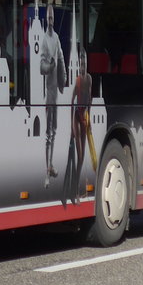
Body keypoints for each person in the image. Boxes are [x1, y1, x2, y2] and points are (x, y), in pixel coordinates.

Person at [39, 2, 66, 186]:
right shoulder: (44, 39)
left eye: (52, 17)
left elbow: (62, 58)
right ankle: (47, 172)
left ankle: (50, 165)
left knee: (54, 131)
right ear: (45, 19)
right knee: (48, 133)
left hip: (56, 92)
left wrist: (63, 79)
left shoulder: (56, 38)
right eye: (48, 17)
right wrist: (51, 66)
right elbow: (42, 67)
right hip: (48, 92)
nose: (50, 20)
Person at [63, 47, 93, 206]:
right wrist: (71, 127)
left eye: (84, 63)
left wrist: (89, 121)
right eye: (81, 64)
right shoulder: (78, 80)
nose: (83, 66)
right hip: (76, 116)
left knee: (81, 158)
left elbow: (90, 101)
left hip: (84, 117)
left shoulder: (89, 78)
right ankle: (73, 192)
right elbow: (72, 100)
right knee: (80, 154)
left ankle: (75, 188)